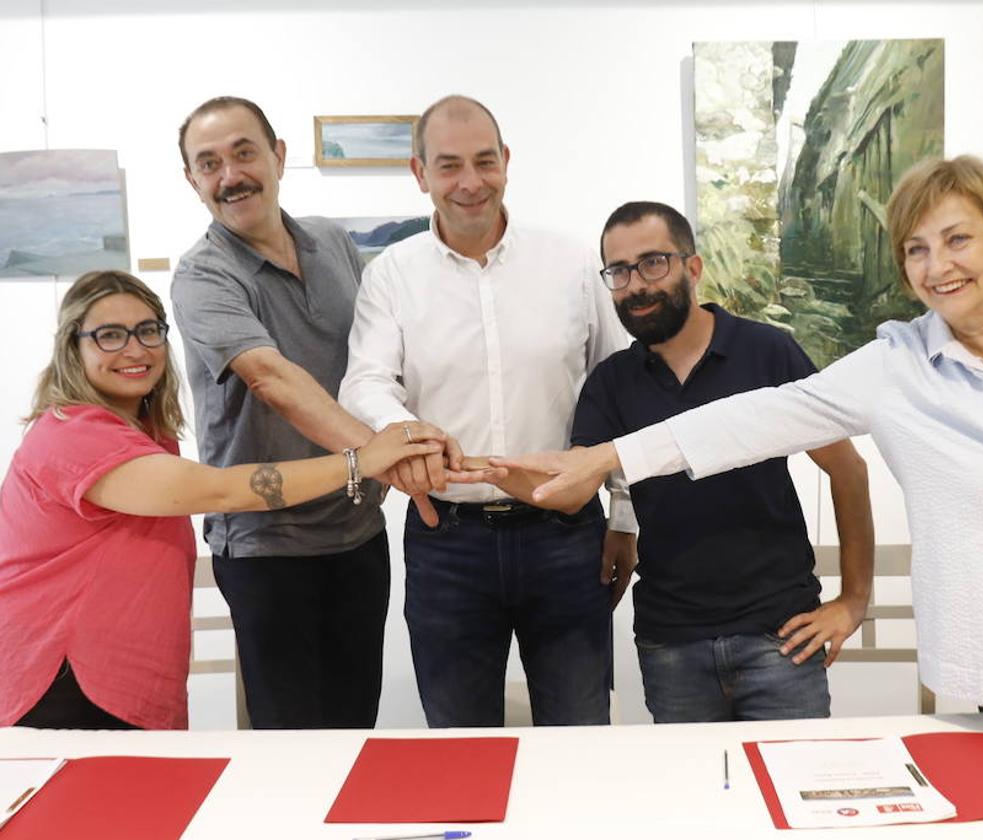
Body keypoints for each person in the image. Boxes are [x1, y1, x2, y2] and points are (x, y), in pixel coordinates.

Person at [496, 156, 983, 727]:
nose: (937, 266)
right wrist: (608, 457)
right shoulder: (896, 363)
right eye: (915, 250)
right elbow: (754, 419)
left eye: (958, 239)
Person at [0, 271, 440, 730]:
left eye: (148, 330)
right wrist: (362, 460)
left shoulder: (145, 434)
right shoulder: (74, 436)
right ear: (73, 347)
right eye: (109, 336)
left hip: (121, 679)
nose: (135, 349)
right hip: (64, 678)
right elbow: (221, 490)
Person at [338, 95, 632, 728]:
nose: (469, 183)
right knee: (458, 746)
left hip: (566, 533)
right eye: (448, 166)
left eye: (483, 161)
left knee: (581, 735)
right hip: (448, 543)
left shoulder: (572, 262)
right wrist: (410, 436)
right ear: (420, 174)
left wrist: (626, 516)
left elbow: (621, 392)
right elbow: (364, 380)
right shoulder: (393, 272)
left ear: (506, 162)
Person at [171, 96, 433, 729]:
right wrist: (379, 455)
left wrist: (401, 444)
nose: (230, 175)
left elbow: (376, 360)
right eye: (209, 164)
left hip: (358, 535)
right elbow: (271, 378)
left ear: (278, 156)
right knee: (292, 746)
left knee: (353, 728)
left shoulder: (332, 241)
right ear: (193, 181)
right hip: (266, 549)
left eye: (243, 152)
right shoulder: (202, 276)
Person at [570, 201, 875, 722]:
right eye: (618, 272)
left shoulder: (768, 353)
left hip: (781, 637)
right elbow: (587, 479)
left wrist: (853, 602)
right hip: (671, 645)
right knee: (694, 799)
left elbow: (848, 469)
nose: (636, 284)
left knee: (791, 791)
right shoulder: (611, 382)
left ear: (693, 267)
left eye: (652, 263)